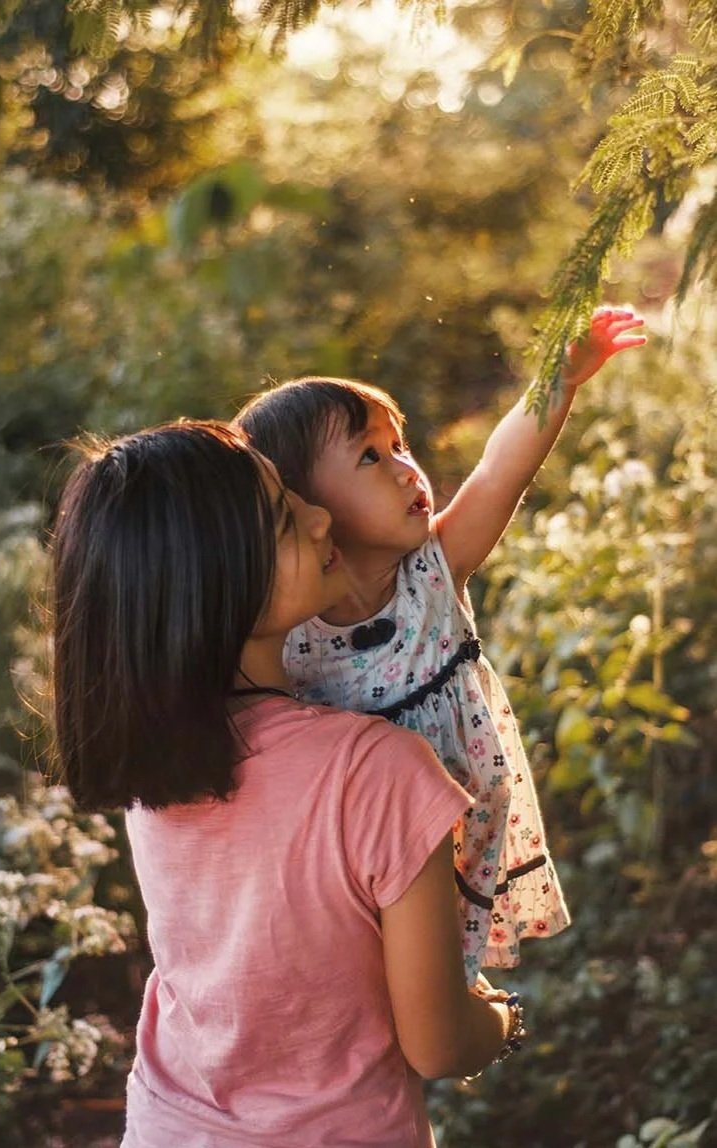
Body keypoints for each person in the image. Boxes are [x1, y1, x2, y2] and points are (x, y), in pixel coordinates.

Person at [50, 419, 525, 1148]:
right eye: (284, 517)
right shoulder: (378, 773)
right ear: (217, 583)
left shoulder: (154, 760)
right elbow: (437, 1045)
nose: (320, 514)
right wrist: (502, 1018)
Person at [235, 308, 646, 984]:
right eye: (370, 455)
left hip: (461, 829)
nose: (405, 469)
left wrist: (561, 380)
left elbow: (495, 474)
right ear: (304, 505)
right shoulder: (288, 630)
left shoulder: (433, 570)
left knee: (437, 982)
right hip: (363, 852)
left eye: (400, 446)